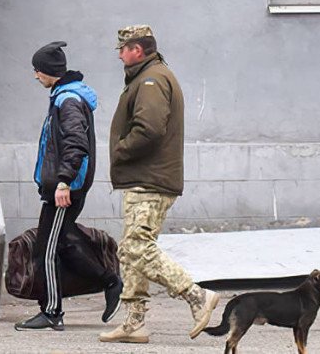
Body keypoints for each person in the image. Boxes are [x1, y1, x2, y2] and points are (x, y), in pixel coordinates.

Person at [99, 25, 218, 344]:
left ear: (137, 50)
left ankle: (197, 296)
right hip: (144, 177)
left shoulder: (152, 80)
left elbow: (149, 129)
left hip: (150, 178)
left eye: (123, 49)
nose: (120, 54)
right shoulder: (148, 76)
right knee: (131, 251)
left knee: (138, 247)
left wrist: (120, 150)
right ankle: (134, 323)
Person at [15, 41, 123, 331]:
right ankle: (110, 281)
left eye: (37, 70)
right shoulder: (65, 96)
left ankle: (52, 311)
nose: (36, 75)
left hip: (66, 188)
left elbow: (76, 144)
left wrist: (63, 182)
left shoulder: (69, 100)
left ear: (49, 71)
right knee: (59, 242)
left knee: (45, 250)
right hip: (64, 185)